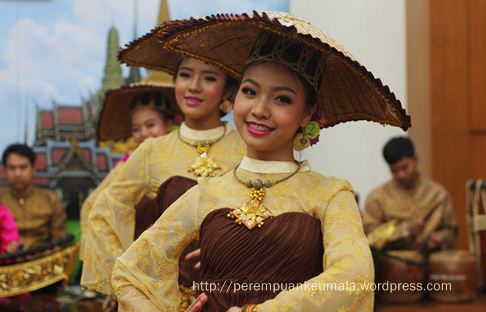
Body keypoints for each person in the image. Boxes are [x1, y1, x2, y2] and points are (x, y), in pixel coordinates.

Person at [111, 11, 411, 311]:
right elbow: (129, 273)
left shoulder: (330, 195)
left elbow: (353, 277)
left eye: (282, 99)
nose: (260, 109)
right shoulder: (206, 193)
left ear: (307, 113)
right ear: (235, 97)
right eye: (250, 92)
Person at [81, 55, 246, 300]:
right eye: (185, 75)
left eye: (209, 78)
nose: (193, 86)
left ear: (228, 91)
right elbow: (104, 212)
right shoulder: (152, 151)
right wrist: (128, 279)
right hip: (165, 298)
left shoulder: (245, 147)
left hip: (233, 291)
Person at [79, 82, 178, 262]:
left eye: (150, 125)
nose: (143, 133)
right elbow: (94, 204)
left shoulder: (180, 156)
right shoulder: (127, 164)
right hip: (137, 245)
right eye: (136, 129)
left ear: (169, 124)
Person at [364, 136, 457, 251]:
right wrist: (406, 229)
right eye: (394, 170)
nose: (400, 174)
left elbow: (451, 230)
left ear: (415, 160)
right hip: (391, 264)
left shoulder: (438, 194)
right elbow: (371, 237)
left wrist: (441, 238)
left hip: (430, 263)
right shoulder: (377, 198)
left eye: (404, 167)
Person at [0, 144, 66, 249]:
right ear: (4, 170)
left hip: (44, 260)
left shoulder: (50, 199)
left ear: (33, 168)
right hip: (6, 262)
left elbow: (60, 242)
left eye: (23, 167)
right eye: (12, 168)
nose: (17, 173)